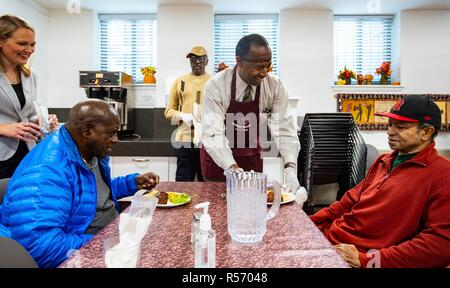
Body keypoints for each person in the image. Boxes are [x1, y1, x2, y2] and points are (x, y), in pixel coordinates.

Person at [0, 99, 160, 268]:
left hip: (106, 237)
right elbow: (43, 248)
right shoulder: (47, 172)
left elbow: (90, 192)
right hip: (82, 251)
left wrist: (131, 183)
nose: (116, 140)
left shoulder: (87, 149)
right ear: (87, 131)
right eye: (111, 133)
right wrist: (107, 242)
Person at [310, 95, 450, 268]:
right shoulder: (384, 161)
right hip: (329, 240)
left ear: (426, 132)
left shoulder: (443, 175)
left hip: (354, 258)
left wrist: (367, 261)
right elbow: (346, 204)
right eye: (390, 124)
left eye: (400, 127)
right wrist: (307, 224)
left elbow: (440, 246)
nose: (390, 131)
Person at [201, 34, 301, 194]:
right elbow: (213, 134)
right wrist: (233, 169)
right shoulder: (216, 86)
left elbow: (284, 129)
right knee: (217, 213)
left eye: (267, 66)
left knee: (252, 211)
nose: (264, 73)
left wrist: (290, 168)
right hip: (219, 163)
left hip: (251, 160)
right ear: (239, 61)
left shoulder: (274, 85)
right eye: (259, 66)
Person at [0, 15, 59, 179]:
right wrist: (4, 129)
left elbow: (25, 114)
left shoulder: (30, 75)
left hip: (26, 154)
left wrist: (41, 120)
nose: (29, 49)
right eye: (22, 43)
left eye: (32, 44)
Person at [165, 46, 211, 181]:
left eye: (201, 59)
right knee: (183, 183)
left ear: (206, 61)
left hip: (207, 141)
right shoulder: (179, 82)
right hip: (184, 140)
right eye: (193, 58)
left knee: (207, 182)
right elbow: (168, 111)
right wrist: (182, 116)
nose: (197, 62)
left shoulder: (214, 81)